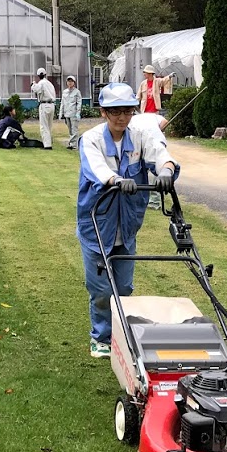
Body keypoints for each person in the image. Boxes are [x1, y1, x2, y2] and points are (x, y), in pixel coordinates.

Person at [77, 82, 179, 359]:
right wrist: (117, 180)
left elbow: (161, 156)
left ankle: (120, 335)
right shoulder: (91, 139)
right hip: (97, 223)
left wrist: (166, 172)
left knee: (124, 287)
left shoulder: (141, 134)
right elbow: (96, 169)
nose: (122, 117)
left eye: (127, 111)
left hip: (128, 223)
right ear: (103, 112)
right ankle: (100, 337)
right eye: (115, 111)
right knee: (100, 288)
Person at [30, 68, 56, 149]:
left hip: (44, 105)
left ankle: (47, 145)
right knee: (49, 125)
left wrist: (33, 85)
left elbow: (36, 89)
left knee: (44, 126)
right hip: (52, 105)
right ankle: (49, 142)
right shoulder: (50, 83)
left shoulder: (41, 83)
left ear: (38, 76)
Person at [60, 75, 83, 149]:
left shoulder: (77, 92)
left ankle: (73, 144)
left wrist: (78, 112)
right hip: (67, 113)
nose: (70, 83)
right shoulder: (65, 92)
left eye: (71, 81)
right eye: (68, 81)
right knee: (70, 129)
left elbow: (79, 102)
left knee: (74, 129)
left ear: (74, 82)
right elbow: (62, 103)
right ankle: (71, 143)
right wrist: (61, 113)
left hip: (74, 113)